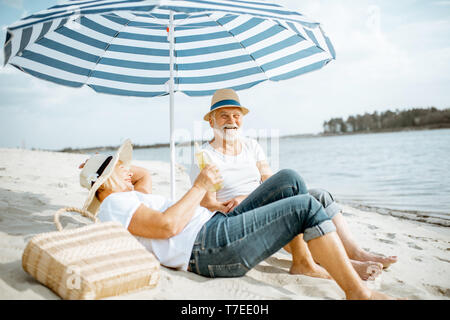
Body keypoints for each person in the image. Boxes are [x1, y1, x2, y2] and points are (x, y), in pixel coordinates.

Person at [78, 139, 400, 300]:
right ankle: (359, 294)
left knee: (289, 180)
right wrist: (200, 187)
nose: (125, 167)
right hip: (207, 248)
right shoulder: (114, 206)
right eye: (118, 166)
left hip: (212, 228)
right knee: (305, 206)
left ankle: (303, 262)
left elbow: (143, 175)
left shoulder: (127, 197)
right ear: (104, 181)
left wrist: (115, 169)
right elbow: (167, 227)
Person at [189, 88, 397, 280]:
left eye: (236, 115)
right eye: (224, 115)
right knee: (290, 180)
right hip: (235, 216)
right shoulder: (206, 155)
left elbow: (269, 181)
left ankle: (355, 252)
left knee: (319, 196)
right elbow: (207, 203)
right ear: (212, 122)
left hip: (258, 201)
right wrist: (238, 202)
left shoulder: (251, 146)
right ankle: (312, 261)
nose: (231, 121)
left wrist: (251, 197)